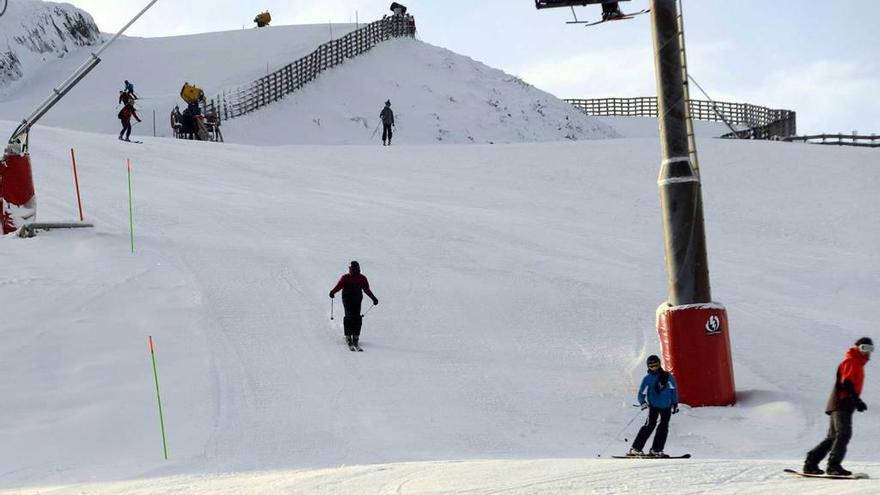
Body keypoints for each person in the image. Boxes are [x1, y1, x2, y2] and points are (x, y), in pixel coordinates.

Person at [803, 337, 873, 476]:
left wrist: (856, 400)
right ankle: (833, 466)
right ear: (857, 348)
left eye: (870, 349)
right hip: (842, 402)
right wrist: (856, 400)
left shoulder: (857, 363)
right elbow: (846, 383)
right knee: (843, 434)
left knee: (834, 437)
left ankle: (811, 463)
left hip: (842, 402)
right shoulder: (852, 361)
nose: (867, 352)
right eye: (864, 348)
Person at [628, 355, 679, 457]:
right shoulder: (647, 379)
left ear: (659, 364)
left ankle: (656, 449)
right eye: (651, 366)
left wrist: (675, 403)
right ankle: (635, 449)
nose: (654, 367)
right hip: (654, 406)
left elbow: (674, 391)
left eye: (656, 365)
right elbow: (641, 394)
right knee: (649, 426)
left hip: (666, 407)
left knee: (663, 428)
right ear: (648, 367)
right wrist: (643, 403)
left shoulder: (668, 377)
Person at [329, 261, 379, 349]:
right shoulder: (346, 277)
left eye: (353, 269)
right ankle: (349, 336)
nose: (352, 270)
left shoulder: (361, 278)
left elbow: (366, 289)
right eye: (351, 269)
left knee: (356, 317)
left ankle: (355, 336)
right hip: (347, 299)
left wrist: (373, 298)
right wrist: (333, 292)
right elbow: (339, 286)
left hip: (357, 299)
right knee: (349, 316)